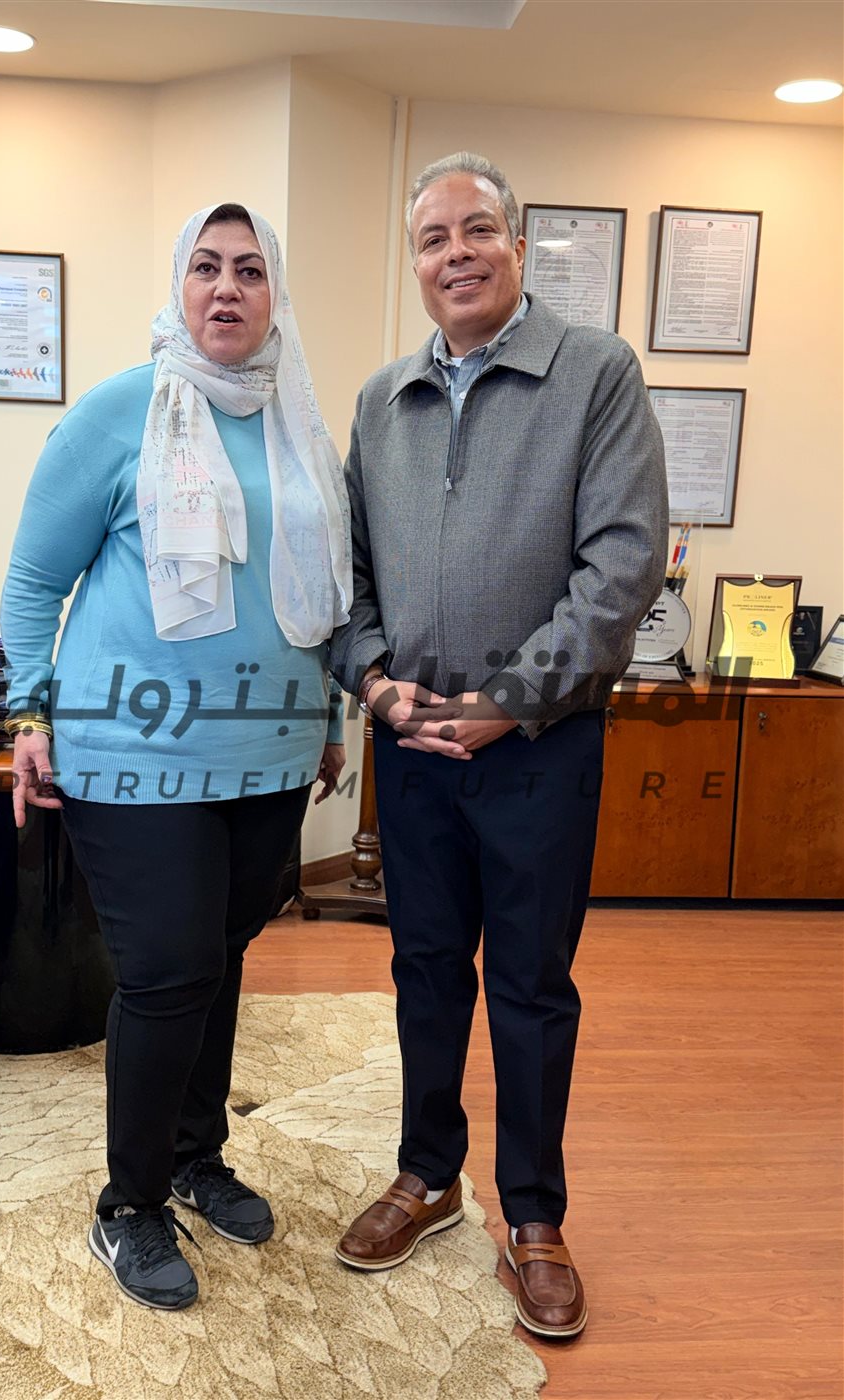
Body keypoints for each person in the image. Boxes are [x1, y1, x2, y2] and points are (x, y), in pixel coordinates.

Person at [329, 152, 668, 1338]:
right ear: (415, 263)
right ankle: (427, 1174)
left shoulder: (596, 373)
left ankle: (534, 1216)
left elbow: (623, 563)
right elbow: (346, 574)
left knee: (529, 984)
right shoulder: (382, 401)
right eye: (432, 238)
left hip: (539, 748)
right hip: (413, 749)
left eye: (477, 230)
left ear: (519, 244)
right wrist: (377, 682)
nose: (456, 254)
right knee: (425, 968)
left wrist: (509, 700)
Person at [0, 203, 351, 1311]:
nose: (227, 287)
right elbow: (33, 581)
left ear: (275, 292)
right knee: (166, 972)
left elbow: (322, 595)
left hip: (272, 749)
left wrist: (330, 718)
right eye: (206, 266)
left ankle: (198, 1157)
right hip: (131, 751)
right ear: (179, 286)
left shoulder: (298, 424)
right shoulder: (118, 413)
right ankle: (130, 1205)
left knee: (221, 954)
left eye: (250, 269)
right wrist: (27, 715)